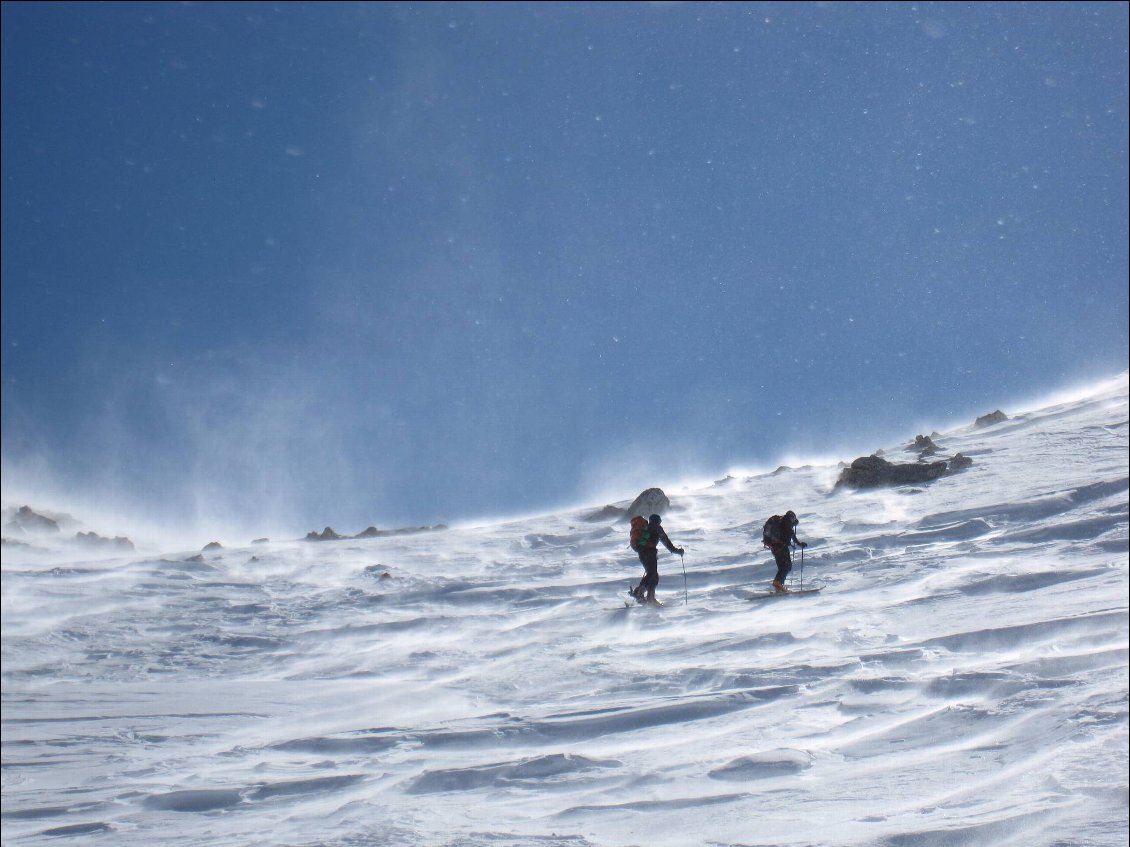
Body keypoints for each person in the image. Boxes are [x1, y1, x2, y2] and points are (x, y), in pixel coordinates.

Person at [629, 513, 684, 605]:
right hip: (650, 553)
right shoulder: (657, 528)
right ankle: (650, 598)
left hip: (642, 554)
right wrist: (677, 551)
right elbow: (667, 543)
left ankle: (639, 592)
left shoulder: (645, 528)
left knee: (651, 574)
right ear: (658, 521)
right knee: (653, 576)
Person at [763, 510, 807, 592]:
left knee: (782, 566)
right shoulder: (786, 521)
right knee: (787, 566)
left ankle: (778, 586)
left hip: (773, 546)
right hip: (781, 546)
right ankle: (778, 583)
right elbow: (790, 532)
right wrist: (799, 543)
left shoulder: (779, 521)